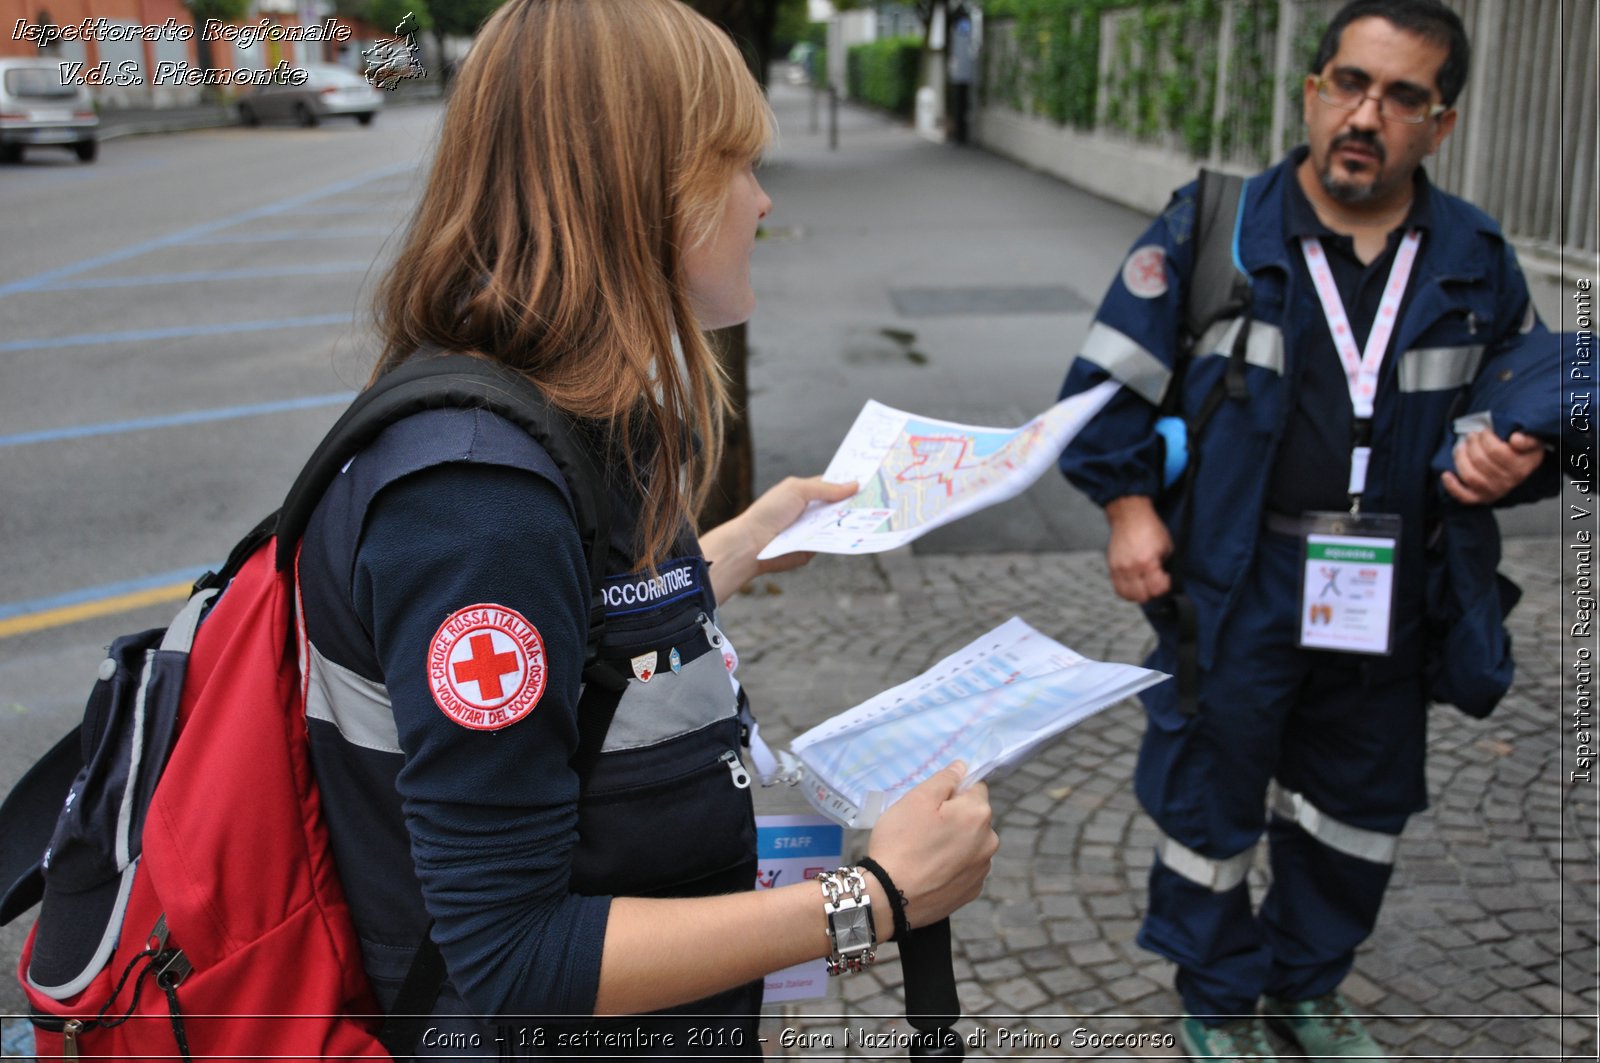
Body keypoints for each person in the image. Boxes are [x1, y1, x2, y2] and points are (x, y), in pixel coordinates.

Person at [295, 0, 998, 1056]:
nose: (761, 201)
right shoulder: (476, 503)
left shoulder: (559, 405)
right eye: (737, 165)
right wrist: (875, 898)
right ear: (640, 189)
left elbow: (577, 642)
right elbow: (511, 956)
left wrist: (748, 540)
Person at [1055, 2, 1561, 1059]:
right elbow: (1105, 387)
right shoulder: (1216, 227)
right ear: (1311, 90)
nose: (1365, 114)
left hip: (1391, 584)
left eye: (1401, 96)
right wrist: (1128, 505)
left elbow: (1530, 412)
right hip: (1240, 578)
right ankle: (1214, 997)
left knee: (1358, 802)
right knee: (1212, 792)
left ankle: (1304, 987)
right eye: (1348, 82)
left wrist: (1513, 459)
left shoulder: (1474, 259)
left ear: (1441, 122)